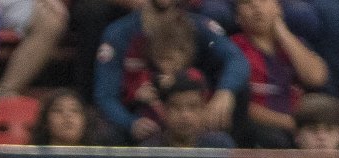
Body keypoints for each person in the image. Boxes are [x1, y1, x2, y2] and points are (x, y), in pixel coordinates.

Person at [96, 0, 247, 141]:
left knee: (240, 92)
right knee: (109, 133)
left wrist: (225, 92)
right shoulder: (118, 33)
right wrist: (131, 123)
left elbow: (236, 59)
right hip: (144, 121)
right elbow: (106, 95)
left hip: (195, 118)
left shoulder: (198, 25)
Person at [230, 0, 326, 145]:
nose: (256, 7)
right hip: (259, 129)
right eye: (247, 3)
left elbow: (316, 78)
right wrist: (290, 123)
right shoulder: (233, 48)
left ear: (278, 7)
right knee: (277, 140)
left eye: (264, 1)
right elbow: (240, 107)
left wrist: (282, 31)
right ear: (237, 16)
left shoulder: (294, 43)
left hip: (299, 126)